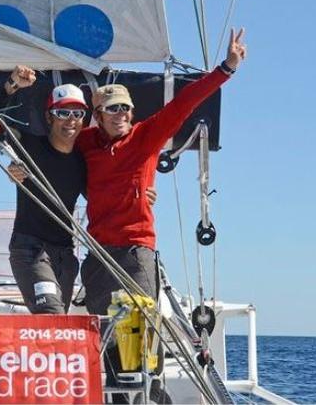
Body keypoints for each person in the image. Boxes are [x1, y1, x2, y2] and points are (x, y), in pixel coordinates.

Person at [76, 28, 247, 315]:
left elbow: (185, 102)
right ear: (98, 116)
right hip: (99, 252)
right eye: (111, 109)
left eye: (124, 108)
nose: (120, 114)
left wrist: (226, 69)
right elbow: (53, 156)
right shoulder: (84, 143)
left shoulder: (146, 136)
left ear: (131, 112)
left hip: (136, 250)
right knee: (100, 331)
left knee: (142, 330)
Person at [0, 66, 157, 314]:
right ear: (49, 117)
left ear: (84, 119)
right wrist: (12, 86)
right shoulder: (28, 146)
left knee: (60, 327)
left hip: (64, 255)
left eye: (77, 113)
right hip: (30, 249)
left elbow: (105, 192)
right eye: (62, 112)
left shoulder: (84, 160)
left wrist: (139, 194)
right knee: (51, 314)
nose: (70, 120)